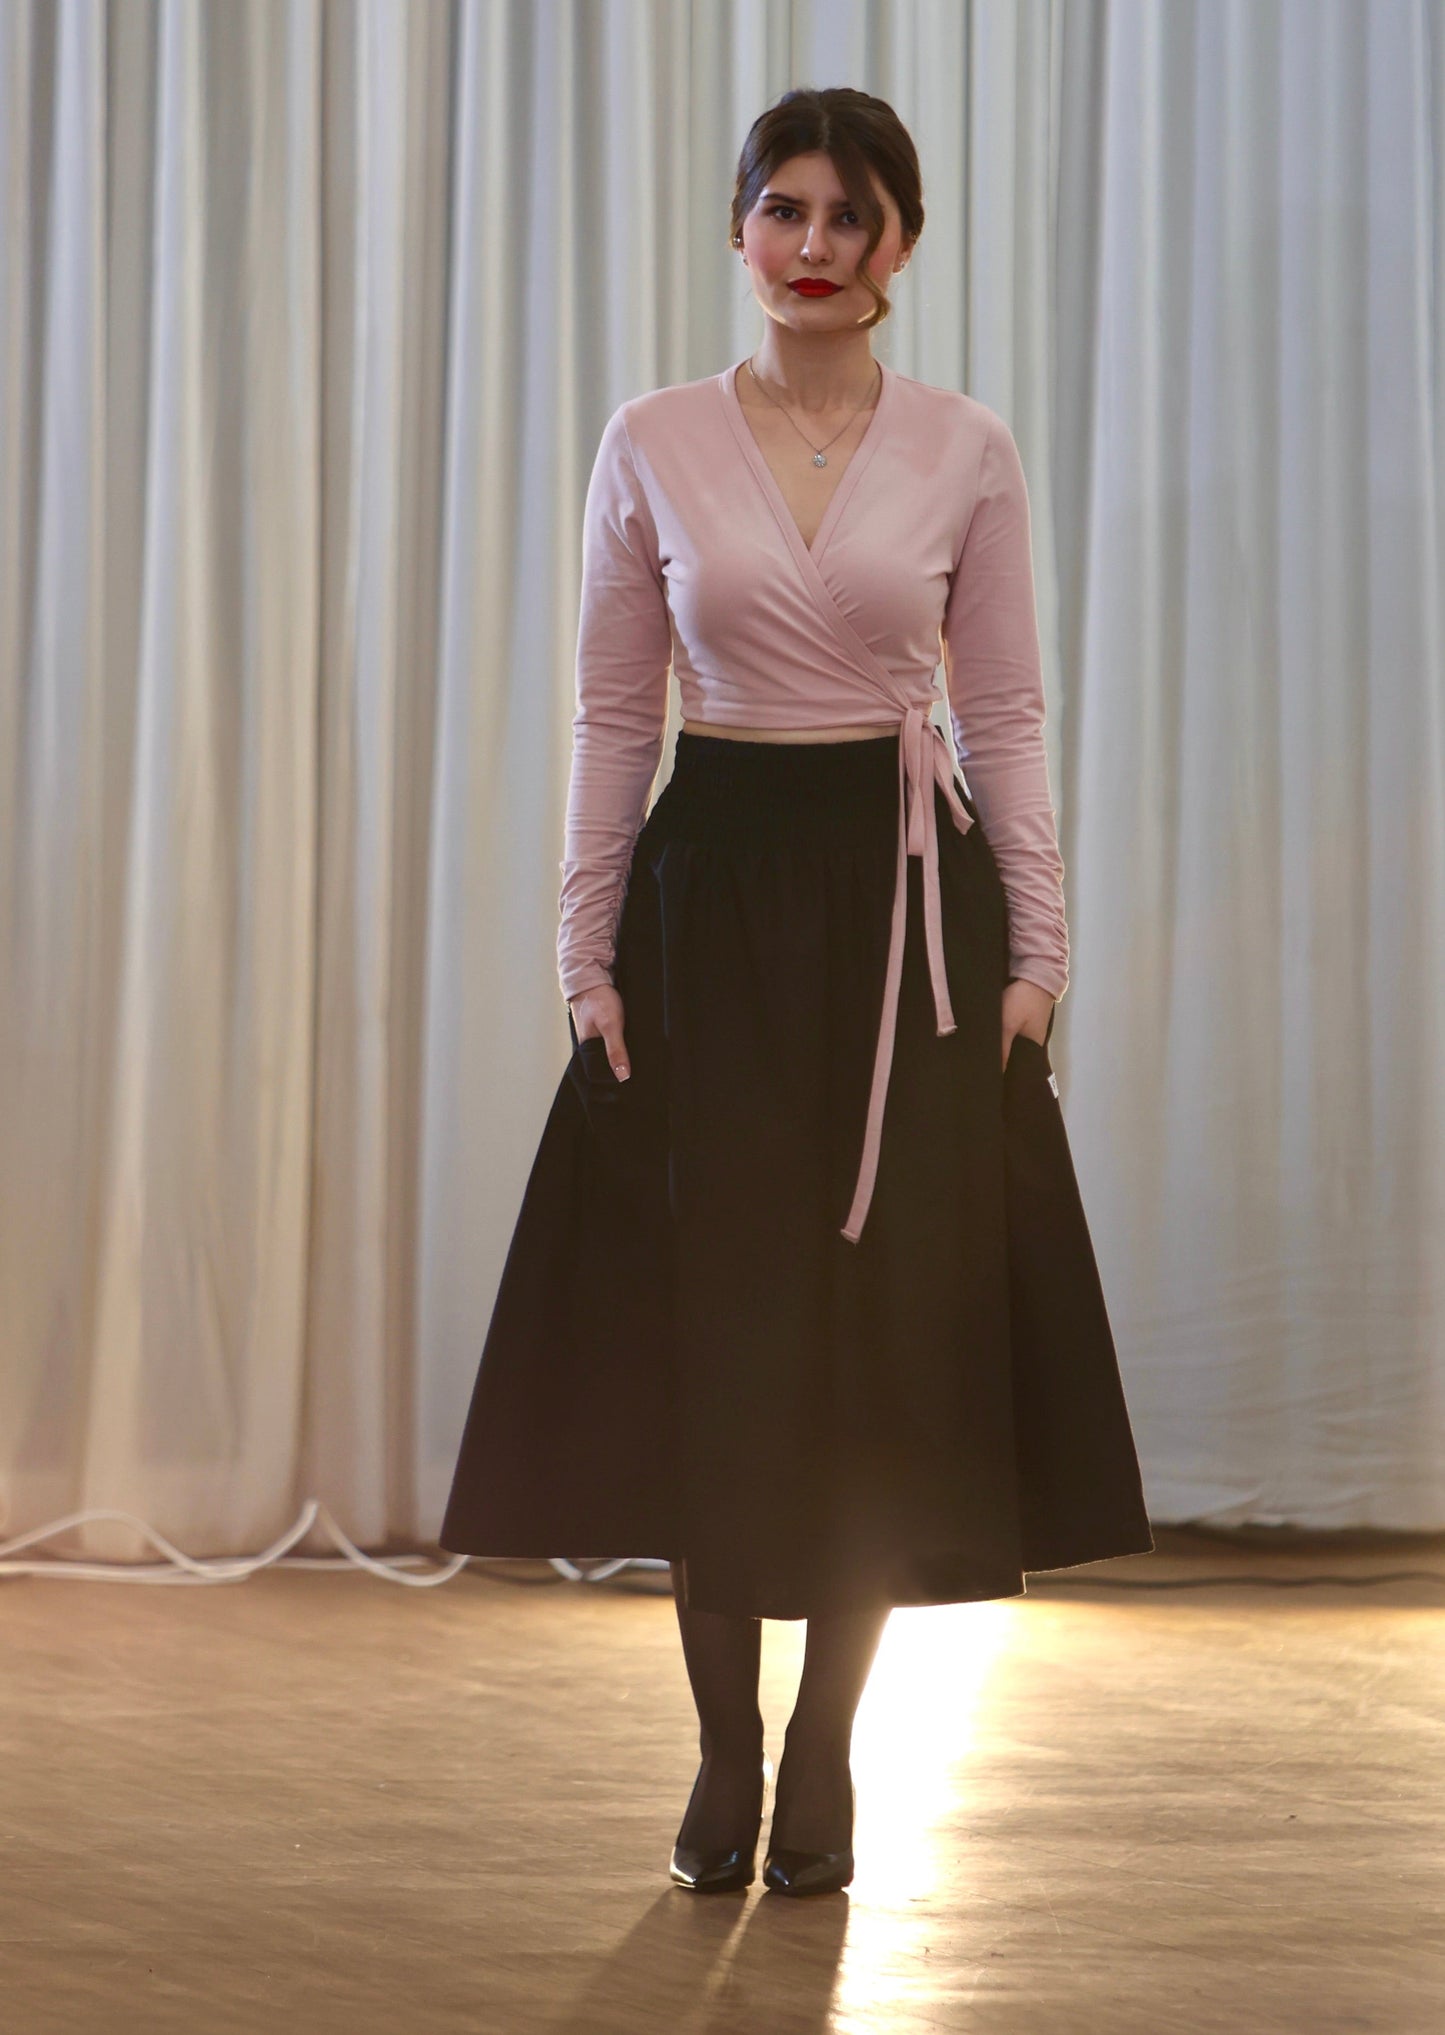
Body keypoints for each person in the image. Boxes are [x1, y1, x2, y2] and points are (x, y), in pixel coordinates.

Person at [439, 86, 1153, 1899]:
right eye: (784, 210)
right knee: (720, 1339)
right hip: (711, 902)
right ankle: (716, 1759)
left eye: (851, 214)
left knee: (872, 1350)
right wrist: (581, 952)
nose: (815, 246)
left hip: (908, 915)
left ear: (899, 241)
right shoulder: (654, 439)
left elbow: (1002, 721)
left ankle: (827, 1756)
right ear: (740, 231)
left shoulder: (964, 447)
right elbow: (618, 714)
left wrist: (1039, 954)